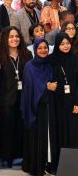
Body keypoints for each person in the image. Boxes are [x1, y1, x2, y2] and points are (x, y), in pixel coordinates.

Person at [0, 26, 32, 168]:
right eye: (11, 36)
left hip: (24, 98)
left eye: (17, 36)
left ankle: (21, 154)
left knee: (21, 127)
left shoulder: (27, 54)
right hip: (5, 99)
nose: (14, 39)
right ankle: (6, 156)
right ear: (5, 39)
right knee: (7, 128)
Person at [21, 39, 53, 176]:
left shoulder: (50, 64)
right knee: (36, 138)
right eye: (39, 48)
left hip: (49, 107)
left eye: (45, 47)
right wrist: (45, 87)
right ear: (35, 50)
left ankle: (48, 164)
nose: (43, 50)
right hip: (35, 107)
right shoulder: (30, 66)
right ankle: (36, 166)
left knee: (47, 139)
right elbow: (29, 89)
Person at [47, 33, 78, 174]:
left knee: (73, 133)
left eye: (67, 43)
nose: (65, 46)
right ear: (57, 45)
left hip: (73, 101)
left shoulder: (76, 58)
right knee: (58, 132)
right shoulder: (51, 60)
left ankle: (73, 166)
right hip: (56, 102)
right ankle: (58, 166)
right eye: (62, 43)